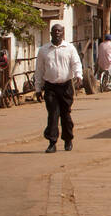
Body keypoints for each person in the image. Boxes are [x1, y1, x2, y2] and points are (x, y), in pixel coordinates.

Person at [35, 23, 83, 152]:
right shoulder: (44, 50)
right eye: (54, 31)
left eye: (59, 31)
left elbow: (76, 63)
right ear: (51, 33)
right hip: (50, 87)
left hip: (66, 86)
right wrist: (38, 88)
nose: (57, 33)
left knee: (65, 114)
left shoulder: (70, 48)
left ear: (63, 33)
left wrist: (79, 75)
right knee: (53, 114)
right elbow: (39, 70)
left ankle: (68, 140)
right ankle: (52, 142)